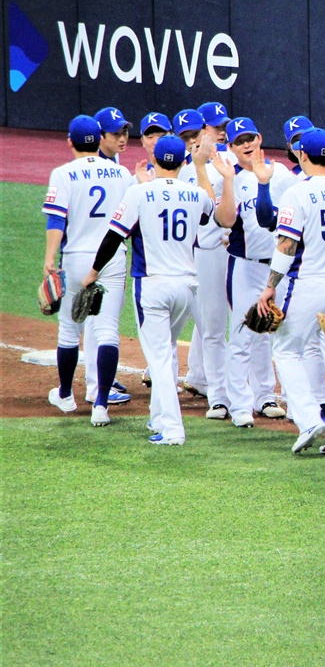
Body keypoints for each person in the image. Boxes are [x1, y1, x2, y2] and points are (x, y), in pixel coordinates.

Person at [82, 135, 236, 445]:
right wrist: (202, 167)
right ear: (182, 163)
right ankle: (157, 417)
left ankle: (173, 429)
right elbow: (210, 208)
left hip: (152, 287)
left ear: (155, 162)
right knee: (165, 349)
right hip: (187, 288)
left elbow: (113, 237)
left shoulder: (138, 193)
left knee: (160, 359)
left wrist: (93, 272)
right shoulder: (195, 194)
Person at [258, 128, 325, 457]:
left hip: (309, 282)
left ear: (303, 156)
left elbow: (287, 244)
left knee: (287, 350)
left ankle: (307, 419)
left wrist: (270, 286)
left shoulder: (297, 192)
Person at [43, 115, 138, 425]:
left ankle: (67, 396)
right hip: (111, 257)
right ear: (98, 141)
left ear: (70, 142)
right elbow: (131, 222)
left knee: (69, 329)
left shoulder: (63, 173)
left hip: (75, 257)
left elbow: (57, 219)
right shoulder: (122, 173)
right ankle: (100, 405)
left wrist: (49, 258)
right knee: (108, 329)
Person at [221, 117, 293, 428]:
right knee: (241, 334)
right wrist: (224, 182)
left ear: (260, 138)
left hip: (278, 267)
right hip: (244, 266)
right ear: (231, 148)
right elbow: (224, 221)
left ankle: (265, 395)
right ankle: (240, 405)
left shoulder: (282, 175)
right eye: (239, 141)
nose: (247, 145)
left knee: (269, 332)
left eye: (250, 138)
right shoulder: (230, 177)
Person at [174, 108, 232, 419]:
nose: (195, 140)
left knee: (235, 323)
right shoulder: (183, 172)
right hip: (204, 253)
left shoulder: (230, 160)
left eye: (198, 134)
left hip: (234, 252)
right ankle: (218, 396)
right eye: (187, 137)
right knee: (211, 325)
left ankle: (212, 380)